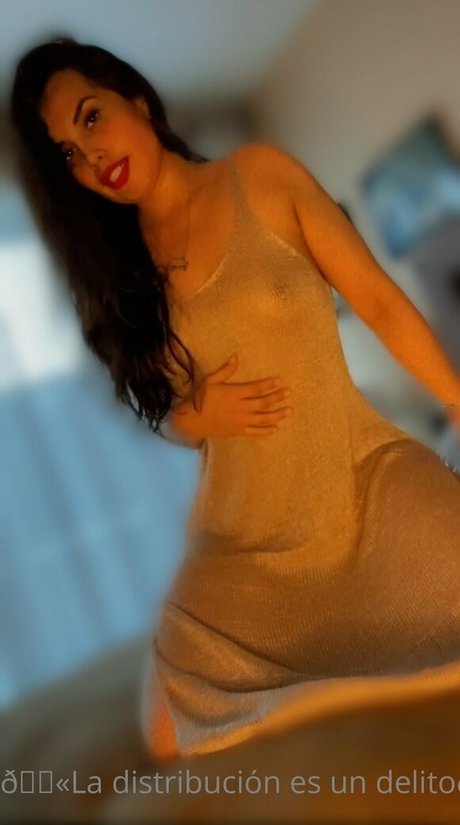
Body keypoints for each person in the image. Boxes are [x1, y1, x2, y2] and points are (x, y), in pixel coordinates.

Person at [10, 36, 460, 766]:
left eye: (90, 118)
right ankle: (336, 702)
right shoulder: (124, 276)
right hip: (244, 539)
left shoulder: (260, 175)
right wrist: (198, 415)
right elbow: (166, 412)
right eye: (67, 153)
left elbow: (376, 300)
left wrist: (457, 402)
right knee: (165, 733)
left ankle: (353, 693)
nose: (91, 156)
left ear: (138, 100)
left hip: (361, 480)